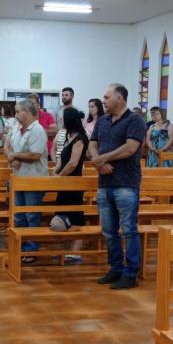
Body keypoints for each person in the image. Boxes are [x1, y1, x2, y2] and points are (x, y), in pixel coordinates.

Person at [89, 83, 146, 290]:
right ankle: (115, 268)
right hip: (104, 184)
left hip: (126, 183)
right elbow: (92, 143)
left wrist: (103, 158)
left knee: (129, 230)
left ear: (119, 99)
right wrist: (98, 160)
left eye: (106, 97)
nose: (103, 100)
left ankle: (131, 273)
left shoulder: (135, 120)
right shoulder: (102, 121)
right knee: (109, 231)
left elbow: (130, 148)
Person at [6, 99, 48, 262]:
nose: (15, 115)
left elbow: (35, 155)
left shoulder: (37, 130)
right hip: (18, 178)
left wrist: (16, 156)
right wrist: (11, 157)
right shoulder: (17, 128)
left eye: (18, 112)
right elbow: (8, 145)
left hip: (33, 178)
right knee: (19, 215)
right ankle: (20, 245)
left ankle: (31, 249)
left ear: (28, 113)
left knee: (31, 215)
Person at [53, 108, 88, 225]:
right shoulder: (69, 137)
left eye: (63, 118)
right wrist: (56, 171)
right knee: (62, 214)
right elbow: (62, 159)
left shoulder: (80, 138)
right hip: (64, 181)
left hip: (73, 181)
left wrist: (60, 176)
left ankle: (78, 242)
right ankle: (68, 241)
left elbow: (73, 163)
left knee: (74, 215)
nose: (60, 120)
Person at [26, 93, 57, 158]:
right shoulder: (24, 117)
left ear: (38, 105)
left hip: (47, 154)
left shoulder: (47, 116)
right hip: (29, 154)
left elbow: (54, 131)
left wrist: (36, 131)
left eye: (32, 103)